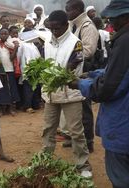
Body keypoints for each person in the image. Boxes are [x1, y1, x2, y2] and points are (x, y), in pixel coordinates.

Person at [69, 0, 129, 186]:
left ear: (125, 18)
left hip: (123, 123)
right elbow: (128, 73)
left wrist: (80, 84)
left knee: (121, 176)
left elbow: (108, 89)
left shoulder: (125, 42)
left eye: (113, 20)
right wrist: (93, 73)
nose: (110, 24)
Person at [41, 10, 91, 178]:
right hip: (50, 93)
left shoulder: (75, 43)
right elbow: (46, 63)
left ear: (66, 25)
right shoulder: (48, 41)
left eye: (57, 28)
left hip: (70, 93)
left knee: (76, 131)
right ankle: (44, 161)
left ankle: (82, 165)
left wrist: (58, 76)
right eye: (51, 28)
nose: (54, 31)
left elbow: (73, 66)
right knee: (48, 129)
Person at [65, 0, 99, 153]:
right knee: (75, 107)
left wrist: (70, 56)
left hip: (84, 69)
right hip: (76, 68)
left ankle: (88, 142)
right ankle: (76, 138)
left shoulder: (87, 26)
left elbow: (88, 50)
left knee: (84, 107)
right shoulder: (76, 25)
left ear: (78, 9)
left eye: (69, 10)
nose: (67, 13)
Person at [0, 28, 20, 116]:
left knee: (11, 89)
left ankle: (11, 108)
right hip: (0, 70)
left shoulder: (10, 44)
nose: (4, 35)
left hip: (9, 69)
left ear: (8, 34)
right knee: (1, 90)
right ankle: (2, 109)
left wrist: (15, 48)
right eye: (2, 34)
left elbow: (12, 58)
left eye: (5, 34)